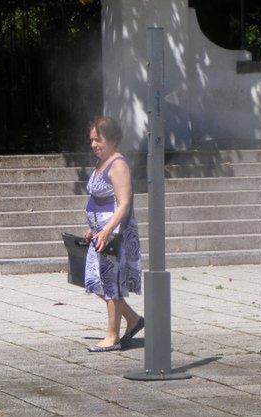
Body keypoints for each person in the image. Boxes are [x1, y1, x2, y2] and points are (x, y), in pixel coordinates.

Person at [83, 116, 144, 352]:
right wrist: (94, 228)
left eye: (98, 139)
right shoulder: (101, 162)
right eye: (91, 140)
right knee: (94, 281)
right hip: (100, 233)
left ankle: (112, 336)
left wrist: (107, 230)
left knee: (110, 283)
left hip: (114, 234)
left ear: (112, 139)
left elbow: (124, 203)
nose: (94, 144)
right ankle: (134, 320)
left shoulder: (118, 164)